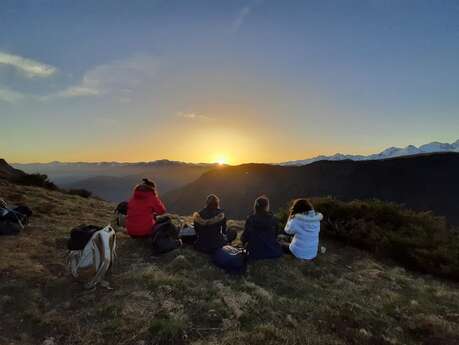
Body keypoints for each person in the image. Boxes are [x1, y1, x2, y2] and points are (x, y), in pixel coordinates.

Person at [241, 196, 282, 261]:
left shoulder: (250, 219)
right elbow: (275, 236)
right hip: (273, 252)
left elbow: (244, 238)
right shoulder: (274, 220)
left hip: (254, 253)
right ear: (266, 206)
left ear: (256, 206)